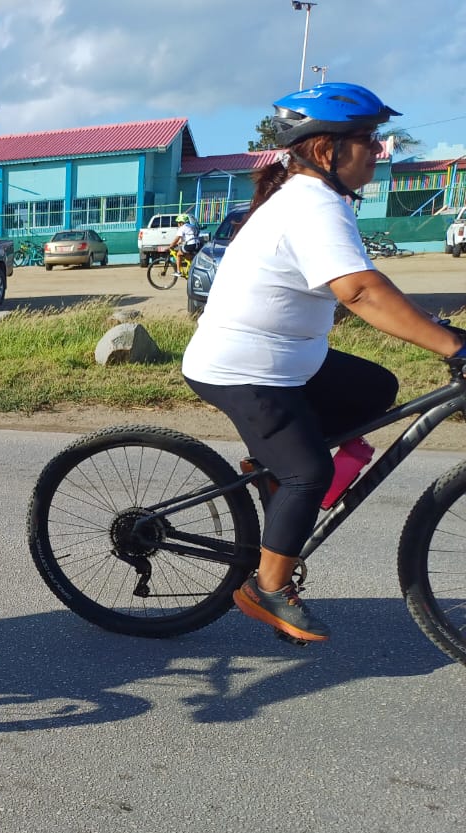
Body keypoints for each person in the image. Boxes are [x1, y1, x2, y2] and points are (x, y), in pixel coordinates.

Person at [181, 82, 465, 643]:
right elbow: (359, 292)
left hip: (289, 359)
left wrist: (447, 334)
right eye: (367, 139)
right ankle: (265, 587)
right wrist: (453, 346)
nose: (379, 150)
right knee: (307, 472)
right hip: (242, 366)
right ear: (323, 150)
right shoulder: (309, 204)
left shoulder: (319, 198)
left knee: (374, 388)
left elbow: (367, 288)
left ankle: (273, 476)